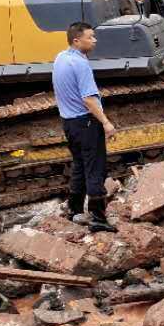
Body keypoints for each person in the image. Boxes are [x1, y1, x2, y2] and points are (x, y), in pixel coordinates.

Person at [53, 22, 116, 232]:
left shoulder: (61, 57)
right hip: (86, 123)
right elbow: (89, 99)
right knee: (95, 168)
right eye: (91, 37)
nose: (95, 40)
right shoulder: (80, 64)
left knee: (79, 165)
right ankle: (98, 218)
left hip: (69, 123)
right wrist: (106, 123)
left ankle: (74, 210)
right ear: (77, 40)